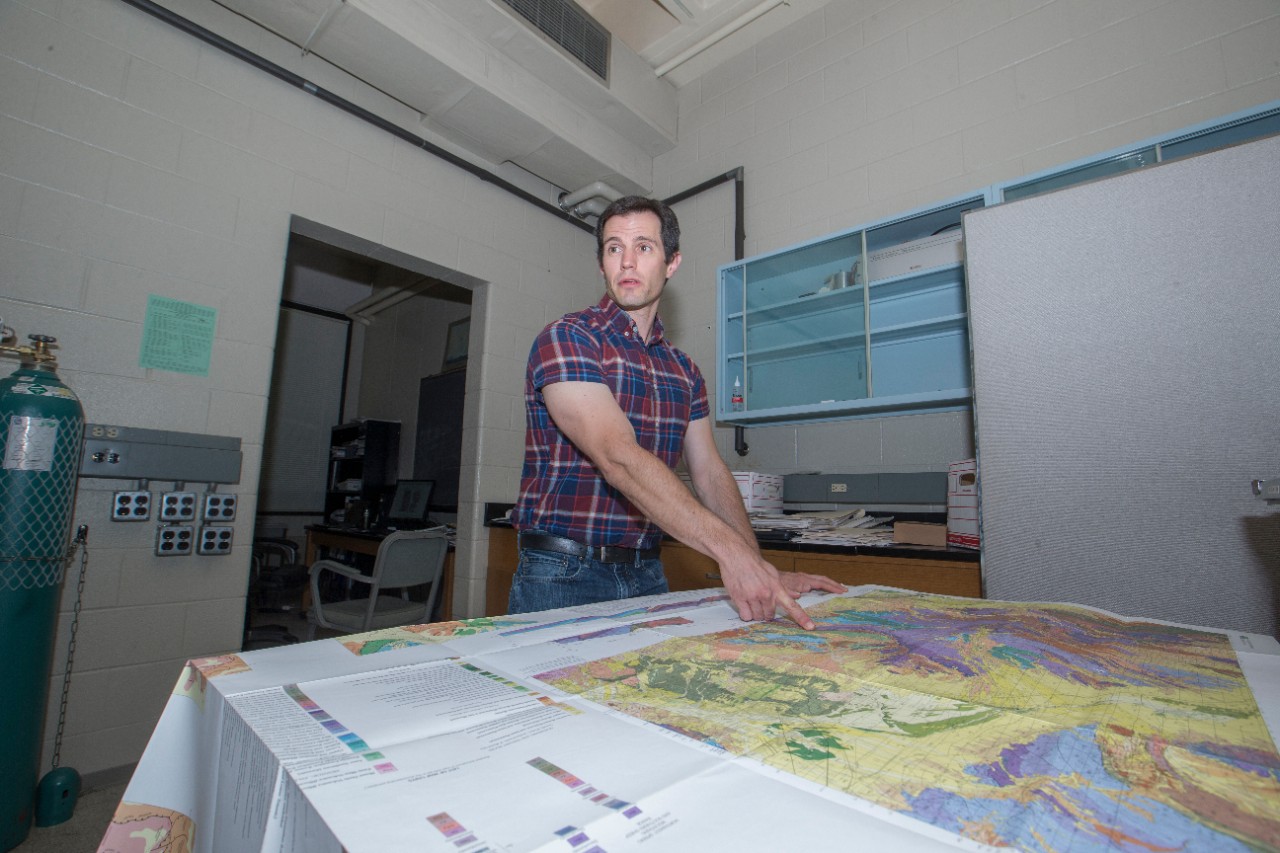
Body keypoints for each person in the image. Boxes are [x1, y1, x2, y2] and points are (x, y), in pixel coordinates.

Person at [509, 195, 845, 629]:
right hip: (560, 574)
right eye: (614, 248)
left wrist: (757, 566)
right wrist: (732, 555)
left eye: (643, 247)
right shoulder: (568, 338)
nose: (627, 262)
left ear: (671, 263)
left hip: (648, 571)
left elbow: (709, 472)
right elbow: (617, 456)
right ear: (601, 264)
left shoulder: (683, 370)